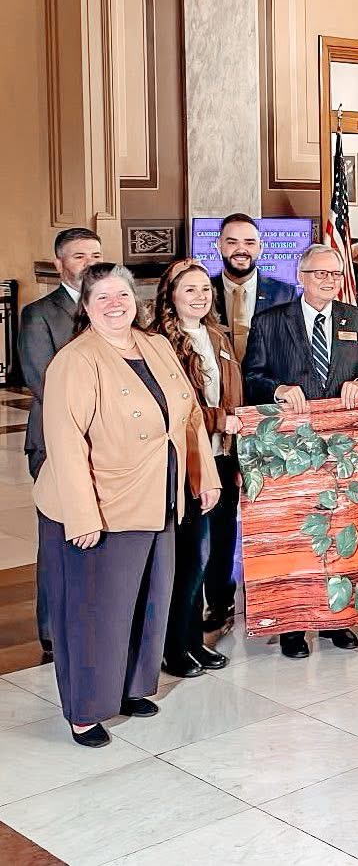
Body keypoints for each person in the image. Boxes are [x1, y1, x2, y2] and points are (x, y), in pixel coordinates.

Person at [34, 263, 221, 746]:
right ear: (87, 308)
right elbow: (65, 443)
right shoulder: (75, 362)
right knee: (97, 611)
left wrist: (205, 474)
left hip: (159, 497)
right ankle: (86, 708)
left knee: (148, 602)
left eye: (121, 295)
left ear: (135, 300)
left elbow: (189, 414)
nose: (115, 305)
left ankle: (131, 688)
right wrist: (82, 515)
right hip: (102, 505)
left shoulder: (156, 344)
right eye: (102, 299)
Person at [243, 244, 358, 658]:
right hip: (289, 449)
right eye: (318, 272)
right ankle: (294, 625)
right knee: (297, 535)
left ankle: (337, 620)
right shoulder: (270, 321)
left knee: (341, 530)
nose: (328, 279)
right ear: (300, 275)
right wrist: (277, 388)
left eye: (334, 272)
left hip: (344, 447)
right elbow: (251, 375)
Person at [150, 259, 243, 677]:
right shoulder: (159, 343)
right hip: (187, 464)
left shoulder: (217, 336)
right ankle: (174, 647)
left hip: (221, 458)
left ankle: (194, 642)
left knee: (208, 558)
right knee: (189, 558)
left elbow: (235, 396)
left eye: (205, 288)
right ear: (170, 295)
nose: (201, 296)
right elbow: (173, 409)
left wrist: (236, 449)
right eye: (190, 289)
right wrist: (218, 420)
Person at [207, 212, 296, 634]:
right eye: (232, 241)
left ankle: (274, 594)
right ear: (219, 246)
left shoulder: (284, 294)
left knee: (272, 509)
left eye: (249, 242)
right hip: (218, 421)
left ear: (261, 248)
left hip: (268, 417)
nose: (241, 249)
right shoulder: (200, 291)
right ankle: (219, 600)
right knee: (220, 512)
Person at [18, 227, 103, 658]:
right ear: (60, 265)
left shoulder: (108, 309)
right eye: (78, 256)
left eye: (96, 254)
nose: (88, 262)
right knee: (57, 534)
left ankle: (90, 619)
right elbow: (42, 382)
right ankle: (51, 630)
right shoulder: (39, 314)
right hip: (53, 443)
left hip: (106, 447)